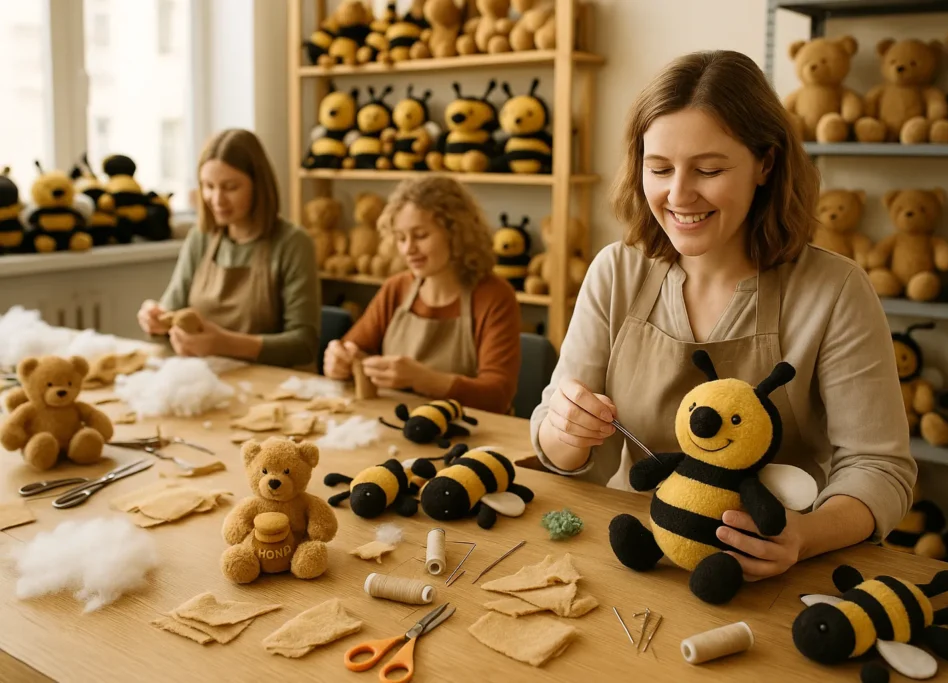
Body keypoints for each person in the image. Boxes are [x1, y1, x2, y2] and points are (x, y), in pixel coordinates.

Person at [530, 51, 915, 584]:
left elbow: (880, 469)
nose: (678, 195)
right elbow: (555, 446)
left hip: (769, 573)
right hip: (634, 559)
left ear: (766, 164)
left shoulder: (835, 290)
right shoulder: (616, 271)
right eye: (659, 169)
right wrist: (567, 429)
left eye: (709, 170)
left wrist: (803, 537)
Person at [322, 176, 522, 415]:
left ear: (456, 234)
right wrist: (338, 361)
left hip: (471, 431)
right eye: (401, 238)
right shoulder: (396, 288)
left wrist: (423, 379)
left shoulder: (494, 296)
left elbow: (497, 397)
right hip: (397, 423)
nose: (408, 249)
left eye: (420, 235)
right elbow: (352, 349)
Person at [136, 129, 320, 369]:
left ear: (258, 186)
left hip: (273, 382)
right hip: (207, 376)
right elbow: (172, 310)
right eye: (208, 186)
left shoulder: (293, 243)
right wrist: (156, 319)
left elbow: (304, 345)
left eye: (230, 187)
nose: (217, 199)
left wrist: (224, 344)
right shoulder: (200, 238)